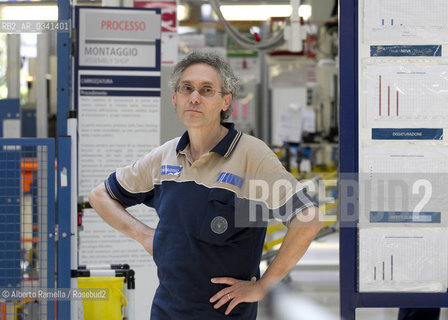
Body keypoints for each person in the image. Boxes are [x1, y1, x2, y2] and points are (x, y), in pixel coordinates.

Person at [89, 50, 323, 319]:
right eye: (187, 88)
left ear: (226, 101)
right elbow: (100, 196)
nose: (194, 97)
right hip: (166, 310)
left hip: (224, 313)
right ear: (175, 98)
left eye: (206, 90)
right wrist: (144, 235)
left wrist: (262, 287)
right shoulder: (164, 157)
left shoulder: (251, 155)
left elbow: (308, 218)